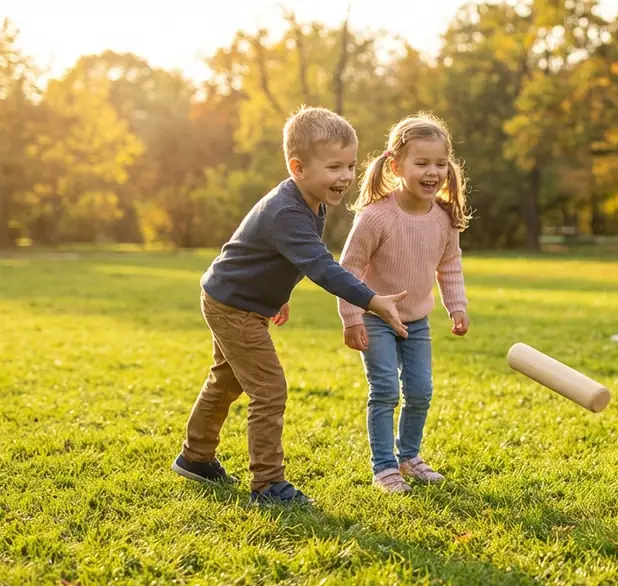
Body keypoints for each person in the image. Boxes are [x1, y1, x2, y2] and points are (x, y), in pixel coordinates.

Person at [172, 106, 411, 506]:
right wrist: (371, 300)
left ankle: (196, 458)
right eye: (334, 167)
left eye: (350, 165)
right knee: (269, 391)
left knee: (227, 380)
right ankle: (267, 485)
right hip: (233, 305)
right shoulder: (287, 210)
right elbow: (319, 266)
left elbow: (283, 258)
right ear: (298, 167)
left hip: (237, 299)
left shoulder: (310, 201)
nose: (346, 177)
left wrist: (279, 296)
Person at [337, 112, 471, 494]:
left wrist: (456, 306)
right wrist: (352, 318)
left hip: (416, 320)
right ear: (396, 165)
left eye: (441, 163)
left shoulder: (444, 218)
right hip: (375, 315)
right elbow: (348, 269)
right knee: (384, 390)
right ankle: (384, 467)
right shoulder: (376, 217)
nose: (433, 172)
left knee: (420, 391)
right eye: (422, 162)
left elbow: (450, 265)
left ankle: (408, 457)